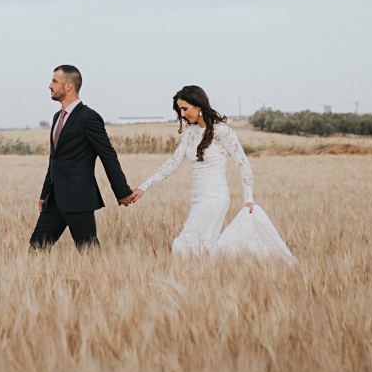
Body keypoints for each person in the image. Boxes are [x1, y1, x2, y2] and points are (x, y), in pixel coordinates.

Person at [122, 85, 296, 262]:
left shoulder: (222, 131)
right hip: (198, 198)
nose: (182, 114)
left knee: (184, 244)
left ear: (198, 105)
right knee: (202, 248)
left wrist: (248, 198)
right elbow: (172, 163)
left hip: (215, 198)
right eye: (179, 110)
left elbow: (243, 163)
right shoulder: (190, 133)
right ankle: (206, 280)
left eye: (184, 108)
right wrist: (144, 187)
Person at [29, 65, 133, 250]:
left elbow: (107, 155)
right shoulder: (56, 117)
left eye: (54, 81)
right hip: (54, 200)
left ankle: (99, 280)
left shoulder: (89, 117)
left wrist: (122, 192)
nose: (49, 85)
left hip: (78, 198)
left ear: (68, 86)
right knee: (37, 249)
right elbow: (55, 159)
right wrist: (45, 194)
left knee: (88, 251)